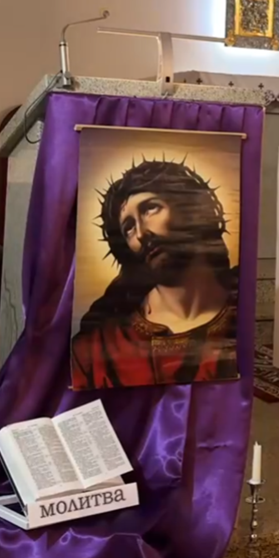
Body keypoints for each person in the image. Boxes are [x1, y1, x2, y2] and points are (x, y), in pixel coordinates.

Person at [70, 160, 239, 389]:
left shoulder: (248, 312)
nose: (141, 233)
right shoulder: (99, 347)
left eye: (150, 208)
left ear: (191, 209)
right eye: (128, 228)